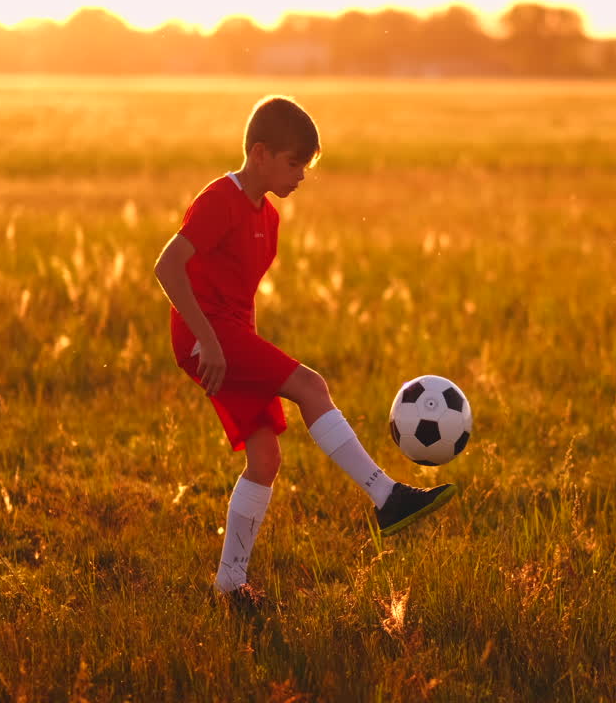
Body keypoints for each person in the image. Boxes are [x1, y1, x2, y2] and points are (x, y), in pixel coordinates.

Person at [153, 96, 457, 602]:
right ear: (259, 154)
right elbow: (167, 266)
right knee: (311, 385)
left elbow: (241, 294)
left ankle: (229, 586)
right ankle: (387, 497)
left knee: (265, 458)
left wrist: (238, 346)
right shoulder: (218, 200)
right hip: (204, 336)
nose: (300, 176)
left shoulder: (268, 219)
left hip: (228, 339)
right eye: (294, 164)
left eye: (305, 167)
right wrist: (209, 342)